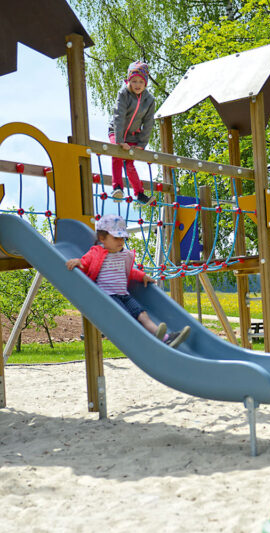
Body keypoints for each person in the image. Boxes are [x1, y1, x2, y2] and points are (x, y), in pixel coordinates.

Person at [66, 215, 189, 348]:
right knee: (127, 317)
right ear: (102, 238)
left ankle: (164, 338)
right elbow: (85, 263)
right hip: (108, 296)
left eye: (122, 238)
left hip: (124, 294)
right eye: (116, 238)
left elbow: (129, 272)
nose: (120, 241)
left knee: (142, 314)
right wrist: (78, 262)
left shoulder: (124, 254)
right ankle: (147, 340)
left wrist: (142, 276)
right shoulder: (96, 252)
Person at [109, 61, 155, 205]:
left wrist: (141, 144)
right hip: (116, 131)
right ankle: (117, 187)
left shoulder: (149, 100)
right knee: (117, 155)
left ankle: (140, 194)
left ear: (145, 83)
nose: (137, 84)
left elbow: (148, 123)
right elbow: (119, 115)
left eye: (141, 81)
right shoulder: (123, 94)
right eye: (134, 80)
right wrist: (119, 140)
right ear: (128, 80)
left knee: (129, 163)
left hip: (133, 136)